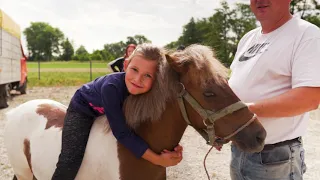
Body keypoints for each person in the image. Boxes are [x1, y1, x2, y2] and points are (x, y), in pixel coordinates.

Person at [52, 44, 183, 180]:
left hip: (109, 106)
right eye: (134, 70)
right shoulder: (111, 88)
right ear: (126, 65)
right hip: (83, 108)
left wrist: (170, 147)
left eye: (148, 75)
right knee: (70, 160)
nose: (138, 80)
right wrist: (157, 160)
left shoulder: (148, 90)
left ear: (157, 79)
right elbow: (121, 132)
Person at [228, 0, 320, 179]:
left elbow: (310, 98)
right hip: (239, 150)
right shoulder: (248, 38)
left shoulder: (307, 34)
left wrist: (242, 112)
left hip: (276, 158)